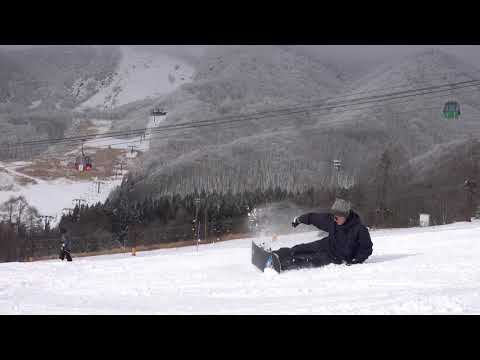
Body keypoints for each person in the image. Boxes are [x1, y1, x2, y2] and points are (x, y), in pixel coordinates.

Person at [272, 198, 373, 271]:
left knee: (309, 259)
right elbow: (314, 218)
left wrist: (356, 260)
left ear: (345, 216)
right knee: (301, 248)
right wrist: (299, 220)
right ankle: (277, 254)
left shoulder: (359, 230)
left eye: (337, 217)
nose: (334, 219)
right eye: (333, 216)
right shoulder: (333, 221)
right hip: (327, 244)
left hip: (335, 257)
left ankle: (282, 265)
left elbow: (367, 249)